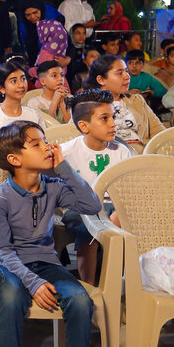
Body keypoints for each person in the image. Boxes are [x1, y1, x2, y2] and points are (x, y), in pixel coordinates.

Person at [0, 121, 106, 347]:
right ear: (14, 159)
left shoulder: (53, 186)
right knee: (11, 297)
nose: (48, 147)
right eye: (36, 144)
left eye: (45, 140)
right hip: (7, 263)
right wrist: (33, 283)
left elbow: (91, 205)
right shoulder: (0, 197)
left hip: (46, 262)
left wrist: (63, 167)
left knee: (79, 299)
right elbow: (2, 249)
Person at [58, 90, 132, 282]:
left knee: (125, 222)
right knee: (88, 232)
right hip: (80, 207)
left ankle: (117, 282)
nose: (113, 124)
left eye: (113, 117)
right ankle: (89, 285)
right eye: (105, 118)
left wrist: (116, 215)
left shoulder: (121, 151)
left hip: (114, 206)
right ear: (84, 126)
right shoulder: (67, 152)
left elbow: (127, 191)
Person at [85, 54, 162, 151]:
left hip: (142, 153)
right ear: (101, 80)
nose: (127, 76)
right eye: (120, 73)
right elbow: (77, 137)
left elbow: (159, 131)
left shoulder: (137, 100)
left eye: (126, 71)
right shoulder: (87, 105)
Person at [0, 59, 43, 141]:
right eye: (14, 81)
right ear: (1, 88)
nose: (21, 85)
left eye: (23, 79)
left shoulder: (34, 115)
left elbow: (43, 142)